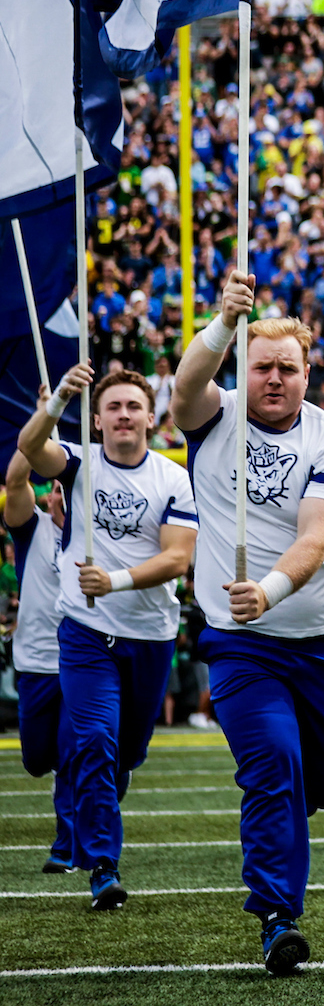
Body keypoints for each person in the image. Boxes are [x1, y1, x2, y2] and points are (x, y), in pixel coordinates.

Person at [169, 275, 324, 974]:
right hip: (241, 644)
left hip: (323, 642)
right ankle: (277, 915)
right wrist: (224, 322)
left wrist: (272, 587)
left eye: (288, 368)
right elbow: (183, 390)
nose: (275, 378)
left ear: (308, 374)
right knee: (272, 765)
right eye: (263, 365)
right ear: (242, 367)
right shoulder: (212, 416)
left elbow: (315, 538)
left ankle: (284, 824)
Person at [19, 363, 196, 912]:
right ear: (96, 419)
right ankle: (103, 865)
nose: (124, 415)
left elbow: (177, 557)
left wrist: (114, 579)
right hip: (86, 633)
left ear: (151, 417)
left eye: (133, 406)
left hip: (149, 634)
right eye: (113, 406)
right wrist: (53, 405)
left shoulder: (172, 477)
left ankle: (99, 807)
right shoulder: (78, 463)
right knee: (93, 741)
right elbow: (30, 452)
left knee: (125, 754)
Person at [7, 454, 72, 872]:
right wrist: (46, 417)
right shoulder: (33, 530)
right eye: (58, 489)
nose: (62, 497)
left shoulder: (105, 535)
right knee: (36, 759)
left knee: (73, 754)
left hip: (85, 662)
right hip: (34, 661)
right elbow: (15, 482)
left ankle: (66, 846)